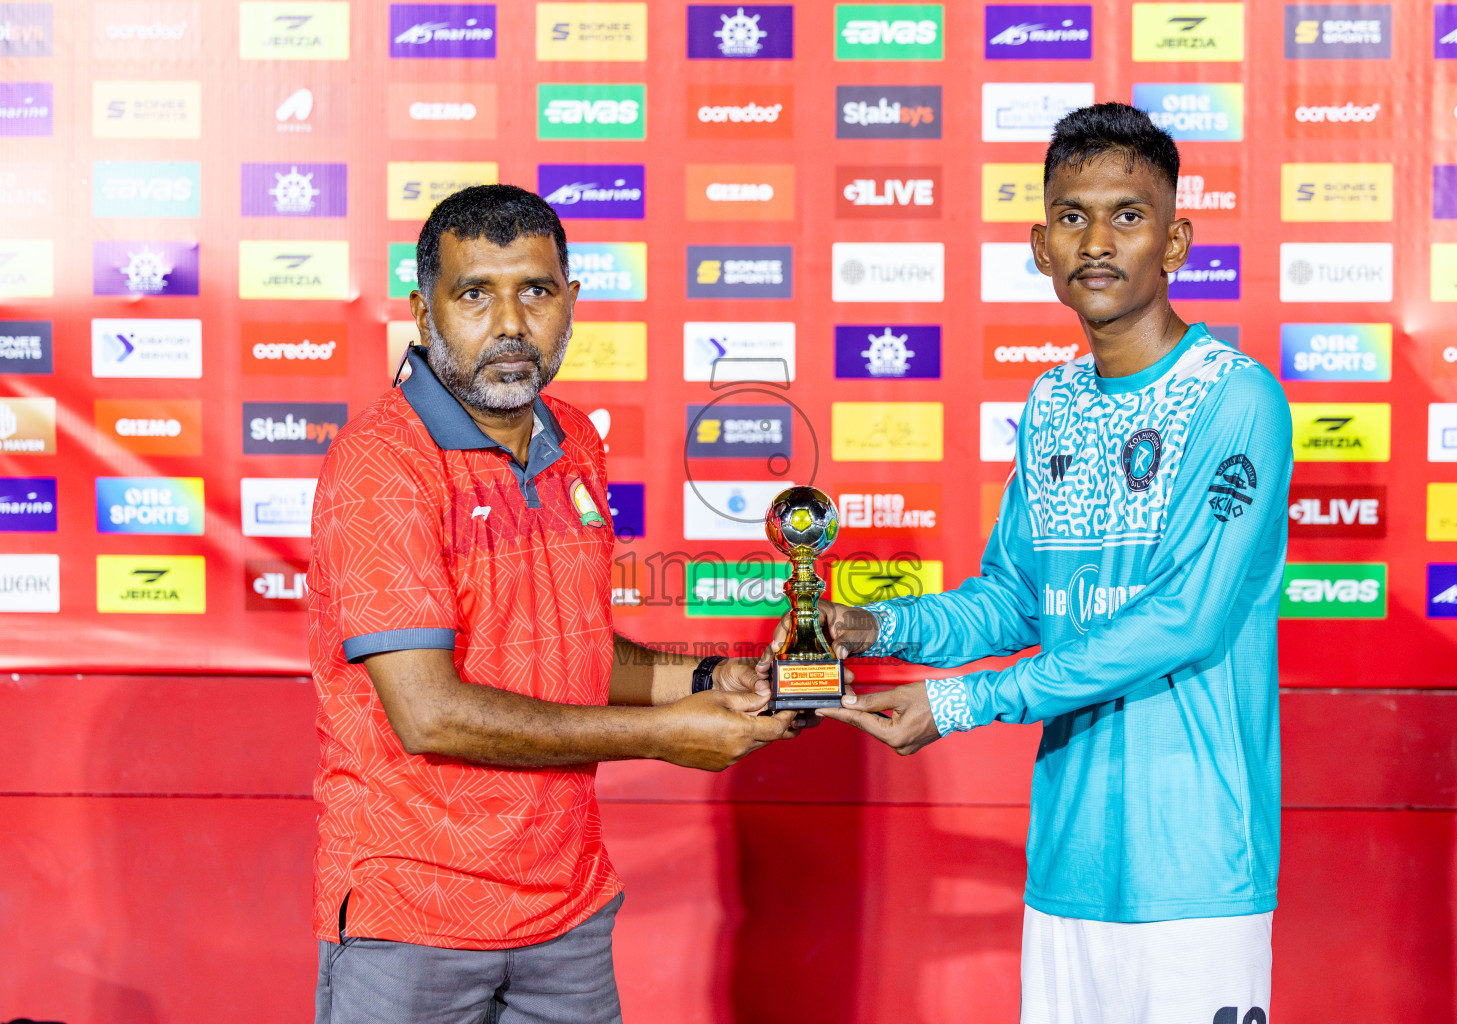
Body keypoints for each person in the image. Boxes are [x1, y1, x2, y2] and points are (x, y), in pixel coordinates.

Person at [766, 103, 1293, 1023]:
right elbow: (1013, 598)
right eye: (1072, 216)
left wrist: (965, 702)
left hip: (1197, 866)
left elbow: (1184, 619)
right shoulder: (1052, 403)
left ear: (1175, 243)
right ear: (1042, 247)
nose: (1098, 242)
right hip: (1066, 866)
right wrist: (867, 626)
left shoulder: (1236, 398)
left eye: (1128, 216)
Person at [308, 184, 797, 1024]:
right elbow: (429, 713)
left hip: (567, 914)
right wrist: (664, 736)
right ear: (423, 314)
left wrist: (710, 679)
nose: (510, 324)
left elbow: (574, 654)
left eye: (535, 291)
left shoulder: (575, 439)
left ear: (569, 301)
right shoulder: (382, 462)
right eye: (475, 295)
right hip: (414, 921)